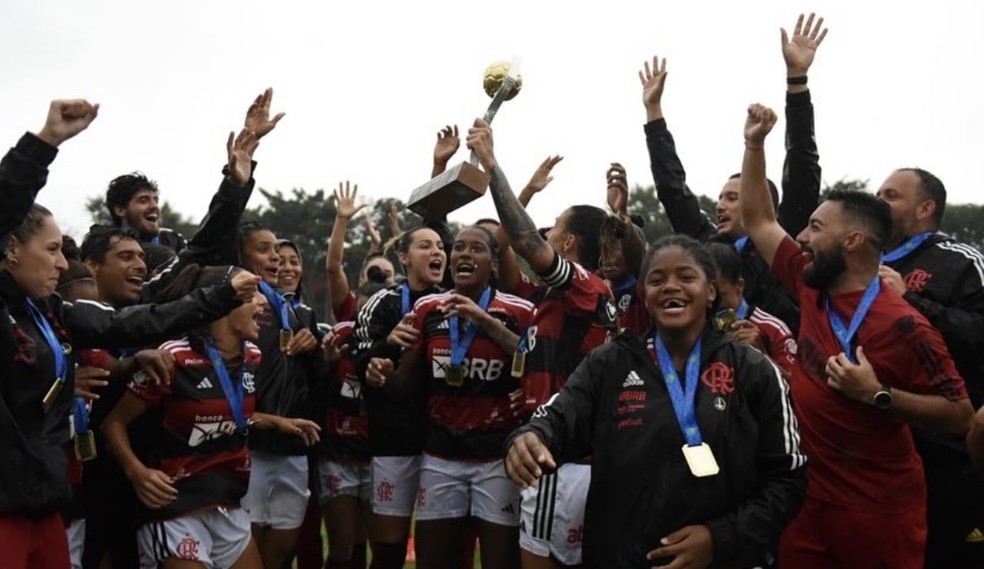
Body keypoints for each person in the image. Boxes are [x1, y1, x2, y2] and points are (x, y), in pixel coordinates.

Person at [0, 98, 260, 569]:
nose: (61, 263)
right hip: (48, 491)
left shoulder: (55, 312)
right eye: (54, 250)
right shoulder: (32, 308)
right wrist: (44, 143)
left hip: (62, 490)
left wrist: (234, 191)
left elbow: (185, 267)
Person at [738, 102, 973, 568]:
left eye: (816, 227)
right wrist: (754, 144)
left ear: (852, 241)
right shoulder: (811, 285)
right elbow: (760, 221)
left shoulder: (903, 323)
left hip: (878, 511)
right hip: (807, 497)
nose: (802, 237)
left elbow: (962, 415)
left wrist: (879, 395)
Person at [505, 235, 807, 568]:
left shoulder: (754, 370)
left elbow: (788, 479)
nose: (670, 287)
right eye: (657, 280)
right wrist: (529, 437)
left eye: (686, 277)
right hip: (622, 557)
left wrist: (719, 538)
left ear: (710, 292)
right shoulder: (608, 364)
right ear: (645, 297)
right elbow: (557, 419)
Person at [466, 119, 618, 569]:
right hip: (560, 453)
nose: (545, 235)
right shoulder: (555, 299)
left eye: (554, 230)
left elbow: (524, 240)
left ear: (568, 242)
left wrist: (492, 166)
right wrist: (532, 388)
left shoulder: (584, 285)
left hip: (564, 462)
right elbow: (505, 245)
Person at [102, 264, 320, 569]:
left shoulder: (252, 357)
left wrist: (277, 422)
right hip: (176, 506)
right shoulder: (174, 358)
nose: (262, 302)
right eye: (251, 295)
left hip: (228, 502)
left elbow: (228, 414)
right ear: (221, 305)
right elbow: (114, 423)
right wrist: (137, 471)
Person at [639, 13, 829, 335]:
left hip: (778, 367)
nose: (720, 206)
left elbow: (802, 167)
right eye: (720, 197)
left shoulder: (784, 241)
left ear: (761, 202)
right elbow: (673, 190)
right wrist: (653, 113)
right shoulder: (706, 245)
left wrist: (797, 80)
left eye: (732, 198)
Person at [367, 226, 535, 569]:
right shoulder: (429, 307)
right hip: (441, 458)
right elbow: (407, 383)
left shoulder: (520, 311)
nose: (463, 255)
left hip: (497, 458)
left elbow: (534, 363)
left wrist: (484, 321)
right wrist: (382, 375)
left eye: (476, 248)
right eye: (458, 248)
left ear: (495, 264)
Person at [875, 167, 984, 567]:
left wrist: (911, 301)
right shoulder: (865, 261)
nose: (879, 202)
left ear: (925, 208)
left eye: (891, 196)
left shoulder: (962, 261)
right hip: (882, 449)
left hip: (950, 454)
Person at [353, 226, 447, 569]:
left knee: (436, 548)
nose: (436, 251)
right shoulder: (382, 302)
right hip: (393, 441)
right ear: (404, 258)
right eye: (425, 246)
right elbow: (361, 360)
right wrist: (388, 345)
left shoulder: (452, 300)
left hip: (443, 443)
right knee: (389, 549)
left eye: (439, 246)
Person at [236, 221, 324, 569]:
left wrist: (314, 350)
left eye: (280, 251)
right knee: (246, 541)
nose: (276, 259)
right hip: (253, 444)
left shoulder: (300, 313)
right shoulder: (235, 307)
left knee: (284, 545)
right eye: (266, 250)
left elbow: (317, 382)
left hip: (294, 446)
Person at [705, 242, 797, 377]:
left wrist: (762, 356)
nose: (712, 304)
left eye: (720, 296)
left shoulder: (772, 329)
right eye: (705, 296)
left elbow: (796, 390)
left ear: (739, 286)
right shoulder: (692, 330)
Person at [103, 172, 187, 253]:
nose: (154, 206)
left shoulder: (173, 240)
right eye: (143, 201)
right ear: (120, 210)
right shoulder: (103, 247)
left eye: (156, 200)